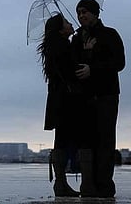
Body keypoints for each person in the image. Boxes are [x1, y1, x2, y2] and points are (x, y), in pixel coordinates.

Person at [71, 0, 125, 198]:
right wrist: (85, 53)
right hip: (85, 97)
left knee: (105, 141)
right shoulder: (77, 40)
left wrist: (93, 68)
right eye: (78, 12)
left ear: (95, 13)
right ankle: (91, 184)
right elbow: (73, 66)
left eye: (84, 11)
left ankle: (104, 185)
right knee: (88, 141)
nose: (81, 15)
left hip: (106, 95)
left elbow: (119, 63)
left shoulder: (110, 35)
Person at [37, 13, 81, 197]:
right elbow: (74, 70)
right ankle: (62, 183)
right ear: (61, 29)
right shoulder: (64, 47)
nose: (72, 23)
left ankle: (60, 182)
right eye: (67, 22)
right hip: (67, 99)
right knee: (65, 139)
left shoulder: (54, 48)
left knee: (61, 139)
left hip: (57, 99)